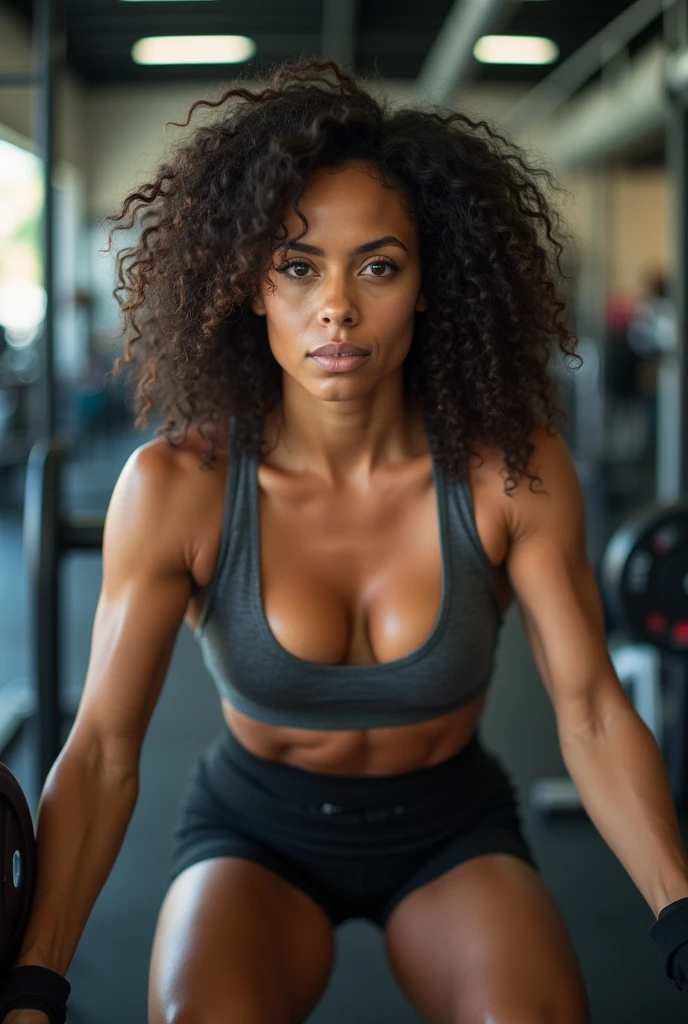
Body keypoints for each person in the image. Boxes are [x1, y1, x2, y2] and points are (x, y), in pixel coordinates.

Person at [3, 58, 688, 1024]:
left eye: (378, 265)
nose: (337, 306)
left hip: (450, 830)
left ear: (426, 283)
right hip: (256, 835)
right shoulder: (177, 487)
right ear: (248, 284)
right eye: (297, 266)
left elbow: (589, 711)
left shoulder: (510, 470)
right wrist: (36, 979)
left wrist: (681, 916)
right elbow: (107, 748)